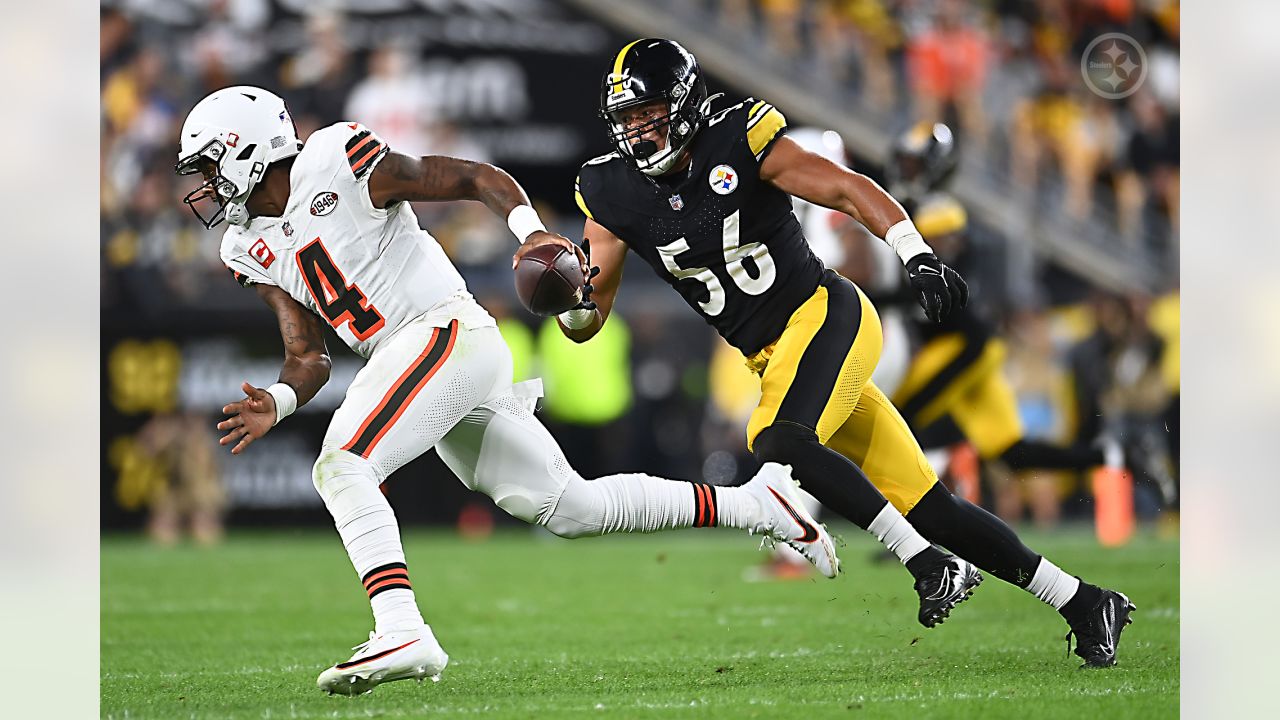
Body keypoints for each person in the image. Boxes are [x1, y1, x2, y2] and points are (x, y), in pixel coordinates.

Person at [175, 86, 838, 695]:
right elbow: (307, 357)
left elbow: (472, 177)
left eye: (207, 165)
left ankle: (401, 627)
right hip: (417, 359)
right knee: (571, 507)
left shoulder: (336, 158)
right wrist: (280, 399)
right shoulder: (245, 245)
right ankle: (755, 503)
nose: (202, 185)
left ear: (246, 149)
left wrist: (532, 233)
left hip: (443, 331)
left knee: (343, 463)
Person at [524, 39, 1134, 668]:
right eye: (625, 119)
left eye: (647, 115)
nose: (636, 132)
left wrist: (914, 251)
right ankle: (1085, 602)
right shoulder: (609, 189)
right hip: (772, 357)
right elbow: (587, 320)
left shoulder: (738, 137)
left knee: (777, 438)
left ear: (682, 103)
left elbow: (844, 188)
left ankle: (925, 563)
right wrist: (565, 297)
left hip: (825, 315)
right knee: (933, 507)